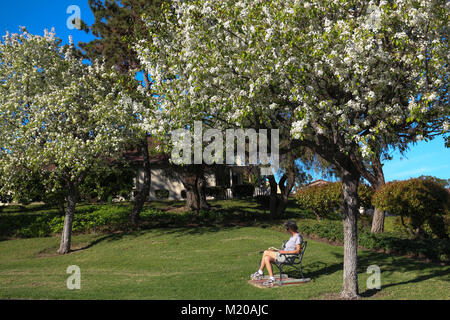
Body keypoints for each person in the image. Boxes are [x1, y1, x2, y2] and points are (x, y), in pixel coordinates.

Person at [250, 220, 303, 285]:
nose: (286, 230)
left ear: (291, 228)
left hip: (288, 258)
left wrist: (284, 252)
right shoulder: (292, 236)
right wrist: (277, 251)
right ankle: (271, 278)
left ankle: (260, 272)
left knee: (266, 252)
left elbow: (297, 251)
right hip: (283, 255)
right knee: (267, 257)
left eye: (287, 228)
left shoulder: (298, 237)